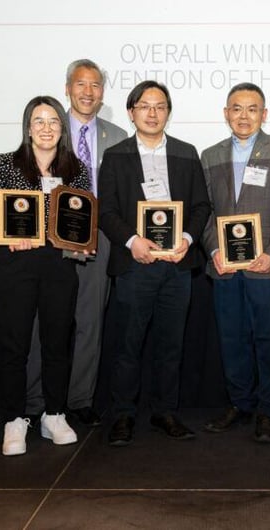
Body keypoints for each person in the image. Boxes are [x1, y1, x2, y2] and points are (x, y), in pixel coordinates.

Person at [98, 80, 212, 446]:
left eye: (160, 106)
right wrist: (132, 241)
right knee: (128, 345)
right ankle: (123, 416)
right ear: (131, 112)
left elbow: (200, 206)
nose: (152, 112)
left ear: (168, 112)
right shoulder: (115, 155)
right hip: (135, 265)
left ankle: (165, 412)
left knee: (170, 344)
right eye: (144, 106)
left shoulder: (185, 152)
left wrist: (188, 239)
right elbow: (107, 210)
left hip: (177, 265)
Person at [0, 96, 90, 456]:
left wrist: (83, 242)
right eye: (39, 121)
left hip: (60, 265)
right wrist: (8, 233)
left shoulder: (76, 168)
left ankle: (54, 414)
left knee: (57, 342)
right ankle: (15, 418)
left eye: (54, 121)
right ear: (28, 127)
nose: (46, 128)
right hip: (17, 265)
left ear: (63, 128)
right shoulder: (6, 164)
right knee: (15, 344)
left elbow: (83, 217)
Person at [25, 60, 127, 427]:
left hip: (98, 237)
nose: (88, 91)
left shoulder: (118, 137)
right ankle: (36, 399)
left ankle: (80, 399)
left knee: (90, 321)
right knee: (43, 321)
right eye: (80, 84)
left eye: (96, 85)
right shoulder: (48, 126)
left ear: (102, 92)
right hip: (48, 238)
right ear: (67, 88)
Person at [200, 83, 270, 444]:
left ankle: (267, 409)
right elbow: (205, 212)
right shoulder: (209, 155)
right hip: (225, 267)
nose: (244, 116)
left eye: (252, 109)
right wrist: (214, 250)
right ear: (226, 113)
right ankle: (240, 403)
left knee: (268, 337)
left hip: (266, 266)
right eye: (237, 109)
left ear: (264, 114)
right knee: (231, 338)